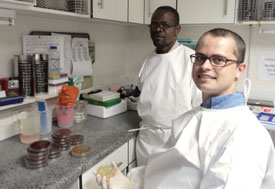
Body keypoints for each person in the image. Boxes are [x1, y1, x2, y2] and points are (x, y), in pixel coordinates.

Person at [96, 28, 275, 189]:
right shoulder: (195, 116)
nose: (205, 66)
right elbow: (168, 171)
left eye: (218, 60)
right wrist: (132, 182)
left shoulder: (244, 134)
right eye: (200, 57)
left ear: (239, 69)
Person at [136, 6, 201, 166]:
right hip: (147, 140)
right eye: (154, 25)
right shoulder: (146, 61)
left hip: (178, 141)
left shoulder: (191, 60)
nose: (158, 29)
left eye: (165, 25)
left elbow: (199, 107)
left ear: (177, 29)